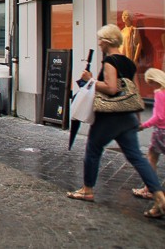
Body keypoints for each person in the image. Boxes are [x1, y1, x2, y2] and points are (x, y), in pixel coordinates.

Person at [67, 24, 165, 219]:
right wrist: (136, 119)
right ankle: (159, 196)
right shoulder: (129, 63)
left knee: (93, 149)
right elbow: (135, 93)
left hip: (110, 117)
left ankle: (87, 190)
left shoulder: (110, 61)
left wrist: (90, 80)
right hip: (128, 117)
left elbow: (112, 88)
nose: (99, 43)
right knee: (136, 157)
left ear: (107, 41)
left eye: (100, 40)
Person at [132, 68, 165, 200]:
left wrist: (143, 126)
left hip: (161, 132)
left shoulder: (159, 93)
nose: (150, 86)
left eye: (150, 83)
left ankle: (150, 189)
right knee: (152, 157)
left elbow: (159, 117)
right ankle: (149, 189)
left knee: (151, 158)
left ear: (154, 80)